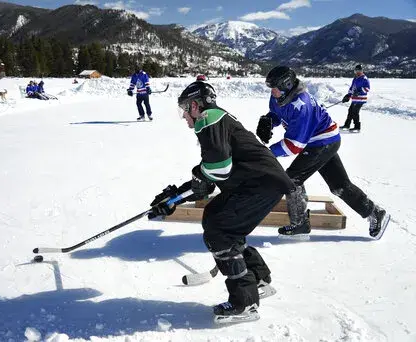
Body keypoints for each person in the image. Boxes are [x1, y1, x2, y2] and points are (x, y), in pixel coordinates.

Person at [148, 81, 295, 321]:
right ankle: (259, 279)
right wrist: (174, 198)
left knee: (219, 230)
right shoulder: (219, 119)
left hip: (259, 183)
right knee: (221, 218)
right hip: (261, 182)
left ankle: (245, 304)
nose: (185, 117)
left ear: (195, 105)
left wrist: (195, 179)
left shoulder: (208, 118)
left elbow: (218, 169)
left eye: (185, 110)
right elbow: (210, 177)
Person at [256, 65, 390, 240]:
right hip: (320, 141)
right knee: (339, 186)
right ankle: (375, 213)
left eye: (274, 88)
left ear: (287, 85)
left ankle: (300, 223)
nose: (272, 92)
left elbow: (294, 146)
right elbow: (278, 113)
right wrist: (269, 120)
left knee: (292, 180)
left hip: (322, 143)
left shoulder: (302, 105)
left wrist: (268, 153)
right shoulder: (278, 97)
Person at [340, 64, 370, 132]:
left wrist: (359, 92)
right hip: (355, 99)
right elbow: (352, 88)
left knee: (355, 112)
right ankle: (346, 125)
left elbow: (367, 89)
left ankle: (357, 127)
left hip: (361, 99)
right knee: (350, 111)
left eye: (359, 71)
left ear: (362, 71)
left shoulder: (364, 78)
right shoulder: (355, 78)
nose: (357, 72)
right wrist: (348, 95)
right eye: (356, 71)